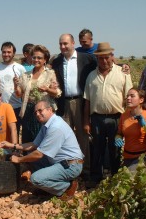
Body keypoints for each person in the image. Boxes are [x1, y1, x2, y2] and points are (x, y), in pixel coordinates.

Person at [0, 99, 84, 200]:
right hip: (61, 162)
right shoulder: (47, 125)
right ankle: (48, 187)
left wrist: (19, 159)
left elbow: (39, 154)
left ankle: (68, 186)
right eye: (35, 113)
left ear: (50, 110)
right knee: (30, 156)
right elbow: (34, 145)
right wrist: (12, 145)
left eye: (40, 110)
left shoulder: (55, 127)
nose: (37, 114)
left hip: (71, 166)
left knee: (36, 178)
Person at [83, 42, 133, 186]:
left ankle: (115, 177)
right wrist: (86, 122)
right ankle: (95, 178)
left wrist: (128, 120)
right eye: (101, 58)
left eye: (107, 57)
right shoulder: (91, 76)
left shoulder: (122, 74)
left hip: (117, 118)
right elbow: (87, 101)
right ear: (97, 58)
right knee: (96, 149)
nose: (104, 61)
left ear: (112, 57)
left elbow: (128, 98)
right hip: (97, 118)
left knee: (115, 149)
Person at [51, 34, 97, 178]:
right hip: (63, 103)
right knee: (65, 136)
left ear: (73, 43)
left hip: (81, 102)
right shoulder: (57, 61)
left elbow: (104, 65)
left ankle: (86, 169)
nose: (63, 46)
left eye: (65, 43)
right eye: (60, 44)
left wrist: (123, 67)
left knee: (83, 135)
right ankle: (68, 168)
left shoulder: (86, 59)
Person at [14, 45, 62, 143]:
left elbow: (57, 93)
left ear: (45, 60)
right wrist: (16, 85)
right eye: (34, 57)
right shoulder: (25, 75)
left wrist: (47, 89)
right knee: (28, 139)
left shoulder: (50, 73)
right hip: (28, 111)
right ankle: (28, 158)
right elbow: (19, 94)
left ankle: (42, 158)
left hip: (44, 112)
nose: (36, 60)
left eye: (39, 58)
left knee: (44, 140)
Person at [115, 88, 146, 172]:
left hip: (142, 158)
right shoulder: (124, 115)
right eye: (127, 96)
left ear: (141, 100)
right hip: (127, 157)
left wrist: (145, 126)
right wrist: (118, 137)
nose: (128, 98)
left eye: (132, 96)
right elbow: (119, 133)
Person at [0, 42, 26, 140]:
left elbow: (24, 88)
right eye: (4, 52)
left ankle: (14, 151)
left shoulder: (20, 68)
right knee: (2, 132)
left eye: (9, 52)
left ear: (14, 53)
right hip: (1, 106)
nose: (6, 54)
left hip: (17, 106)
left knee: (14, 131)